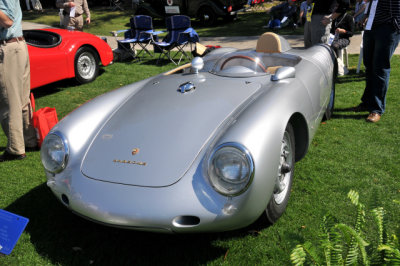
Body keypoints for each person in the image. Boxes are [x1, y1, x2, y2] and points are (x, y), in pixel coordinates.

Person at [0, 1, 37, 162]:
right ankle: (29, 141)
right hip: (19, 45)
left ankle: (15, 149)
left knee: (9, 100)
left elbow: (7, 21)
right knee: (22, 99)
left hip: (8, 48)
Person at [353, 0, 400, 123]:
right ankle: (367, 102)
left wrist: (396, 26)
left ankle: (377, 109)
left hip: (388, 27)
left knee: (380, 68)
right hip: (371, 26)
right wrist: (366, 15)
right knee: (369, 66)